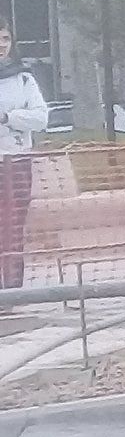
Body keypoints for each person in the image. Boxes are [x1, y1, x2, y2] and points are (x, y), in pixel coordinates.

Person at [0, 20, 50, 289]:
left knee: (14, 224)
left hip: (16, 162)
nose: (1, 45)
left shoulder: (24, 78)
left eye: (5, 38)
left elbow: (41, 117)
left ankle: (12, 287)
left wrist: (9, 117)